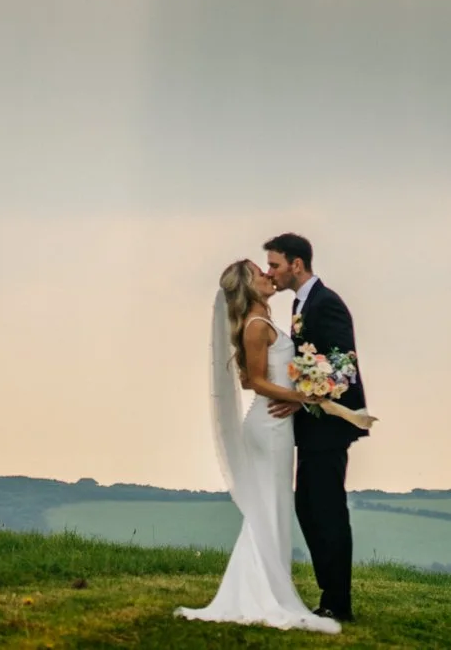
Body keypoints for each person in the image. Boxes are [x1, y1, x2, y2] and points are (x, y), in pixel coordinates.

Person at [174, 257, 342, 632]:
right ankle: (265, 593)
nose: (268, 276)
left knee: (273, 506)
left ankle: (268, 585)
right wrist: (302, 397)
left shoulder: (262, 320)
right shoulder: (254, 325)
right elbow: (254, 381)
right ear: (248, 287)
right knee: (269, 507)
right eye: (259, 273)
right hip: (268, 425)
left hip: (275, 425)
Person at [264, 233, 367, 622]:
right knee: (309, 507)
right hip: (311, 427)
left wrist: (303, 396)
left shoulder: (327, 303)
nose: (271, 272)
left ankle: (338, 603)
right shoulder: (300, 303)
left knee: (326, 510)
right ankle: (330, 596)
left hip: (328, 428)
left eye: (275, 264)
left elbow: (343, 366)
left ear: (296, 263)